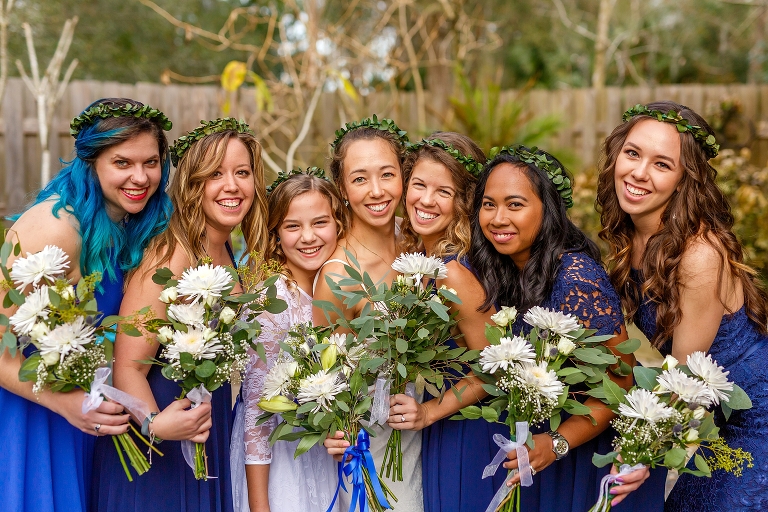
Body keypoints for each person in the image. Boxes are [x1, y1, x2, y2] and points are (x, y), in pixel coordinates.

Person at [0, 98, 173, 512]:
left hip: (87, 416)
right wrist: (64, 403)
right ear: (91, 162)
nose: (141, 177)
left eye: (151, 163)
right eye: (122, 163)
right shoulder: (55, 228)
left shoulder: (127, 224)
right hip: (35, 417)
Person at [596, 101, 768, 510]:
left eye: (662, 164)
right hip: (706, 413)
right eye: (633, 153)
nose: (638, 173)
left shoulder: (699, 254)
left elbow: (684, 378)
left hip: (750, 419)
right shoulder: (631, 232)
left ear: (683, 180)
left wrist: (642, 451)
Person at [91, 118, 268, 512]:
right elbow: (128, 367)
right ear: (191, 185)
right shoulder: (171, 253)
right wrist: (155, 423)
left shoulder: (228, 252)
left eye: (242, 173)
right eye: (215, 175)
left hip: (207, 427)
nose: (232, 186)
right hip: (157, 447)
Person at [470, 145, 656, 512]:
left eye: (515, 204)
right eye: (488, 204)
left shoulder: (576, 277)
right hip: (544, 456)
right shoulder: (508, 270)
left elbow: (621, 384)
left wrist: (555, 443)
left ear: (548, 209)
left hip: (585, 460)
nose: (497, 217)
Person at [381, 132, 511, 511]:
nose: (425, 200)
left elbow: (494, 369)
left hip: (469, 426)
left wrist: (428, 411)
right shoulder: (424, 255)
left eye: (444, 191)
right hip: (444, 420)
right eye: (418, 185)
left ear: (465, 201)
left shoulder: (453, 272)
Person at [315, 117, 425, 511]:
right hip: (378, 444)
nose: (376, 191)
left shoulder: (420, 240)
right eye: (360, 179)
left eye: (387, 175)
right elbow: (327, 377)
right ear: (342, 189)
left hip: (434, 428)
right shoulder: (337, 274)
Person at [232, 170, 345, 512]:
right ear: (276, 235)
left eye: (320, 222)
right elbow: (256, 411)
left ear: (339, 224)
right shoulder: (270, 301)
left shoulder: (341, 286)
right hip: (283, 463)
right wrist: (260, 506)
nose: (308, 237)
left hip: (330, 454)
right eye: (293, 226)